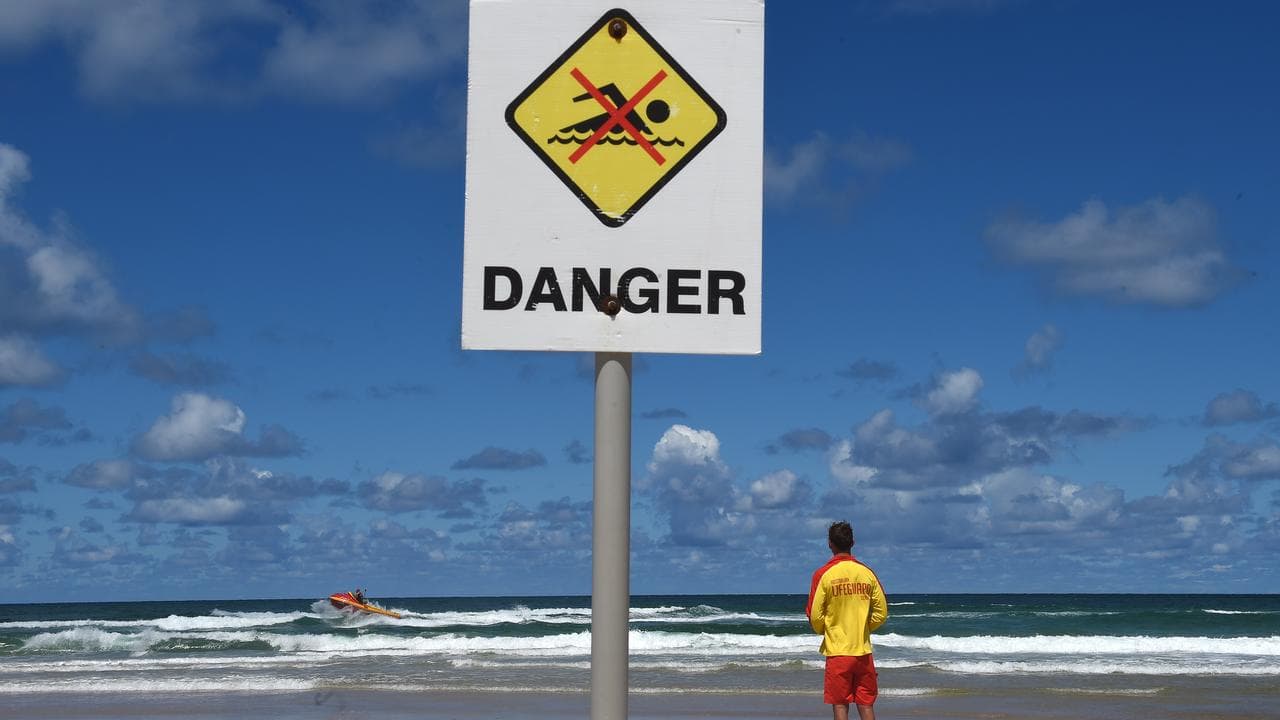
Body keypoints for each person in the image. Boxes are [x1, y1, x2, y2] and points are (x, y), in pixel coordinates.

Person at [806, 521, 888, 720]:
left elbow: (814, 615)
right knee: (865, 704)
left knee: (840, 704)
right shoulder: (867, 573)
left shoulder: (823, 574)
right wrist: (864, 628)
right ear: (852, 543)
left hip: (838, 653)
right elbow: (881, 612)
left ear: (830, 544)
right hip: (863, 652)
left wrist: (826, 630)